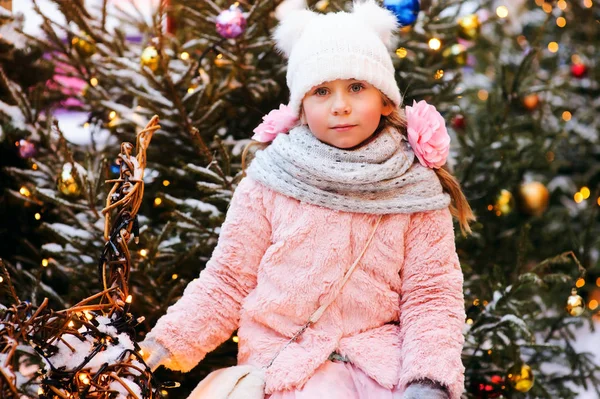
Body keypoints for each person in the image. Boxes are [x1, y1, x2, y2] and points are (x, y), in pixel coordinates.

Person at [139, 0, 476, 398]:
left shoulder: (414, 189)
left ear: (385, 99)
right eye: (321, 91)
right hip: (281, 373)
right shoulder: (270, 183)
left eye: (356, 86)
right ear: (300, 107)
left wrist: (427, 381)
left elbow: (431, 294)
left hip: (379, 377)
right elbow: (227, 283)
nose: (340, 105)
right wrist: (157, 351)